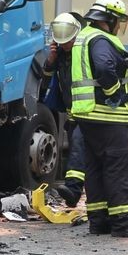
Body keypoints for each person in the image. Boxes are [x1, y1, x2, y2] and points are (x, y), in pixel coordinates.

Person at [70, 0, 128, 238]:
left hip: (89, 115)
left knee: (95, 167)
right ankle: (122, 223)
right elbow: (105, 68)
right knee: (116, 168)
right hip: (108, 115)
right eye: (118, 20)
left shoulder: (84, 36)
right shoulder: (101, 40)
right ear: (109, 19)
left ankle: (99, 221)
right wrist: (114, 92)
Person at [41, 12, 86, 207]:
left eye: (67, 41)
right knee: (81, 151)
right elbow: (45, 79)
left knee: (77, 149)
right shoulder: (59, 55)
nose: (64, 45)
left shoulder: (85, 52)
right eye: (61, 42)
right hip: (73, 112)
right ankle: (78, 194)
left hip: (88, 112)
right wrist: (50, 60)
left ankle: (73, 190)